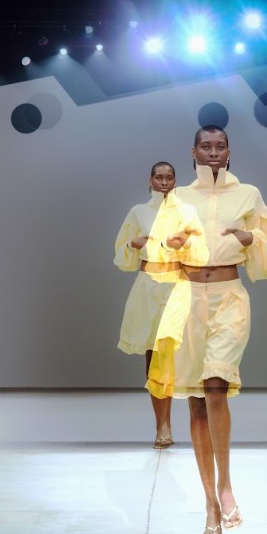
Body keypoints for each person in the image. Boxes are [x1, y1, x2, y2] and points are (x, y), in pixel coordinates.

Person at [147, 126, 267, 534]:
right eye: (205, 146)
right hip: (188, 297)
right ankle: (209, 502)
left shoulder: (248, 195)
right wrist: (169, 244)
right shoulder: (178, 198)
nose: (213, 152)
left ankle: (226, 485)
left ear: (229, 152)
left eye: (220, 146)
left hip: (229, 297)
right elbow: (156, 251)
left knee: (217, 387)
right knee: (196, 403)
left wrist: (251, 238)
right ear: (193, 152)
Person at [114, 161, 207, 448]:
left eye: (169, 177)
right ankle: (162, 425)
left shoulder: (187, 212)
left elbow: (201, 250)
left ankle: (198, 424)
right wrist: (133, 244)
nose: (164, 182)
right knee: (154, 355)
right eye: (159, 177)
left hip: (178, 283)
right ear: (150, 180)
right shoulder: (138, 212)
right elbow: (121, 254)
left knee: (183, 355)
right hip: (148, 287)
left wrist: (184, 244)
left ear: (175, 180)